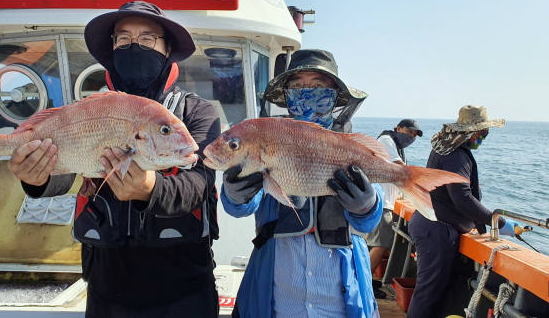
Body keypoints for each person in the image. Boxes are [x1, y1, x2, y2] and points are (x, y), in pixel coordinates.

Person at [7, 1, 221, 318]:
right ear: (113, 48)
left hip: (184, 295)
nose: (134, 47)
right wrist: (35, 177)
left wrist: (150, 189)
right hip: (106, 296)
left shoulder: (197, 113)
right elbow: (68, 171)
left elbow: (198, 184)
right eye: (123, 39)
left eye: (147, 39)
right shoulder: (91, 109)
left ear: (167, 48)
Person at [222, 49, 383, 318]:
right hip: (279, 298)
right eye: (296, 85)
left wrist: (367, 205)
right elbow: (241, 208)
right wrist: (234, 194)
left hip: (340, 300)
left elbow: (366, 223)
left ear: (334, 94)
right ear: (286, 95)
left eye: (318, 85)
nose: (306, 92)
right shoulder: (268, 139)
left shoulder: (349, 145)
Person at [407, 105, 521, 318]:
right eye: (483, 133)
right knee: (427, 294)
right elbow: (462, 198)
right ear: (472, 132)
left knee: (431, 292)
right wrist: (498, 222)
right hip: (436, 231)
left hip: (430, 225)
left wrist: (479, 225)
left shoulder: (445, 147)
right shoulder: (455, 156)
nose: (484, 137)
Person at [365, 119, 422, 298]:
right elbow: (401, 169)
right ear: (398, 128)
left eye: (414, 134)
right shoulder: (386, 140)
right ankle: (364, 285)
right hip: (380, 202)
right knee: (381, 244)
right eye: (408, 131)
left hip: (384, 201)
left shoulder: (396, 145)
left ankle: (363, 281)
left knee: (374, 244)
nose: (411, 136)